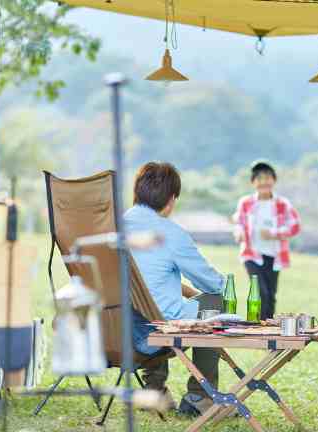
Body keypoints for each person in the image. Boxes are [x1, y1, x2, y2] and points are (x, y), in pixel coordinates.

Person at [124, 161, 225, 416]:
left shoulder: (109, 228)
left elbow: (142, 283)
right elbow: (213, 285)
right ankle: (200, 397)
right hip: (156, 336)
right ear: (170, 200)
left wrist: (186, 291)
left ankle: (154, 390)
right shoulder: (170, 233)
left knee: (158, 304)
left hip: (116, 332)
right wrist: (216, 288)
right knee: (214, 303)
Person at [232, 161, 301, 320]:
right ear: (253, 182)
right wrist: (239, 233)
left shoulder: (282, 204)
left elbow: (295, 226)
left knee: (271, 294)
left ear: (274, 180)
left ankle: (267, 329)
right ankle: (257, 326)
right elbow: (239, 224)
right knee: (260, 291)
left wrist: (273, 233)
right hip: (251, 255)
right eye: (259, 178)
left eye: (268, 177)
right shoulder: (246, 203)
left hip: (274, 256)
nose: (264, 182)